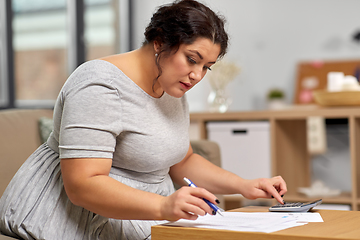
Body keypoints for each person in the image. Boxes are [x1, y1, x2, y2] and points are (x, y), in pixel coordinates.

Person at [0, 0, 287, 239]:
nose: (198, 75)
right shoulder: (100, 86)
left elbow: (181, 160)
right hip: (70, 220)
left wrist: (245, 185)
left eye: (206, 67)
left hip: (142, 216)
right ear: (160, 42)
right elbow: (83, 185)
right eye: (192, 59)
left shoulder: (169, 84)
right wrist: (164, 206)